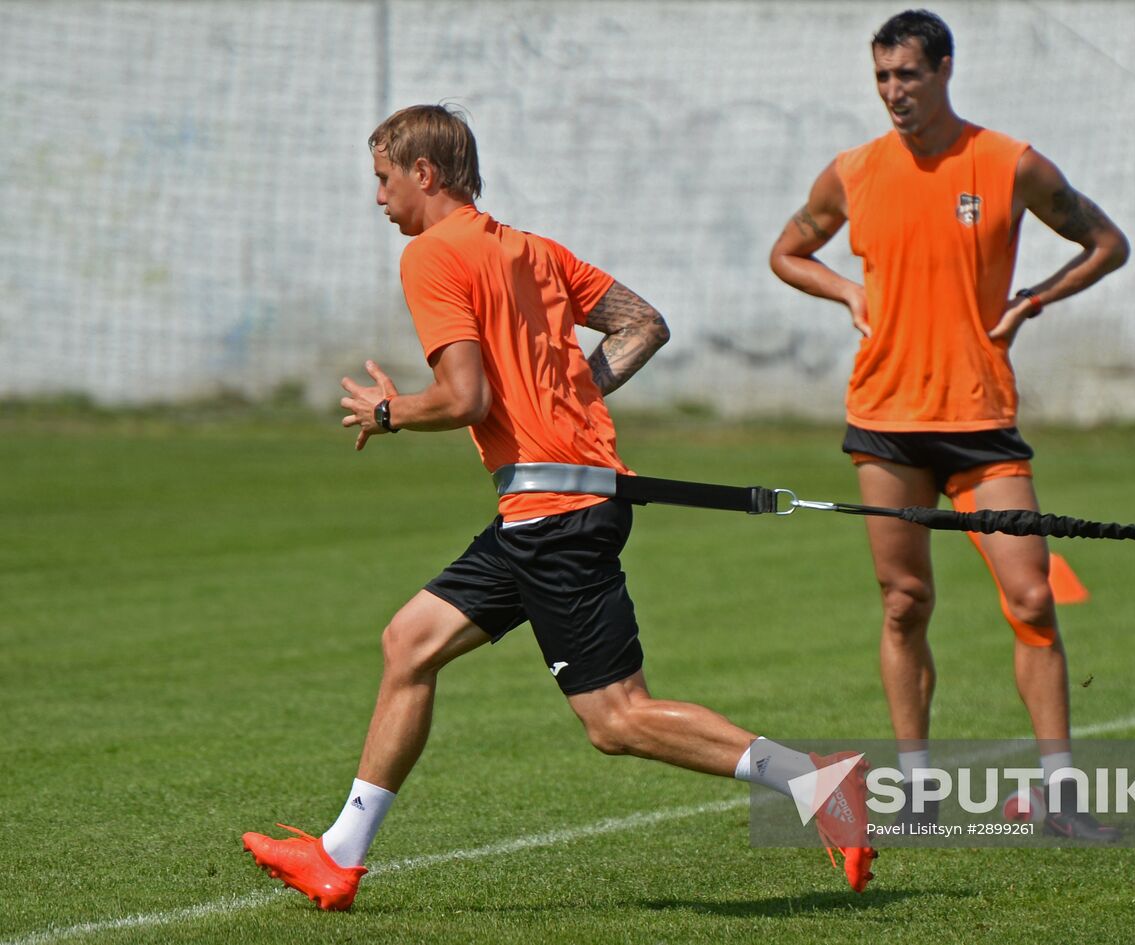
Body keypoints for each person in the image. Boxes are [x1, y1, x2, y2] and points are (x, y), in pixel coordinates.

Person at [241, 105, 874, 910]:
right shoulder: (532, 250)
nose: (379, 199)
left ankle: (819, 783)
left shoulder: (433, 256)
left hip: (555, 512)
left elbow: (465, 396)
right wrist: (574, 391)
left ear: (424, 174)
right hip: (554, 502)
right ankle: (338, 854)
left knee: (616, 719)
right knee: (409, 641)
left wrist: (392, 412)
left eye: (383, 179)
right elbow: (645, 324)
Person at [769, 10, 1130, 839]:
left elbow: (1107, 242)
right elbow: (788, 251)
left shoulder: (1008, 163)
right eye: (883, 78)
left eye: (908, 76)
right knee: (905, 602)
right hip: (885, 421)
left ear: (944, 70)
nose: (894, 93)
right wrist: (847, 292)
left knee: (1033, 595)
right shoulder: (853, 172)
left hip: (981, 421)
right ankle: (918, 793)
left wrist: (1034, 300)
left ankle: (1061, 799)